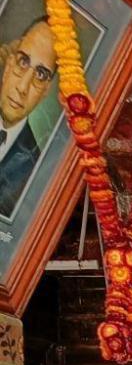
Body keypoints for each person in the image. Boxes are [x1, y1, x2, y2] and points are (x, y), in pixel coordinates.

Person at [0, 17, 56, 217]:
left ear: (46, 92)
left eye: (40, 75)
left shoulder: (37, 173)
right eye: (23, 62)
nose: (22, 87)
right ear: (8, 66)